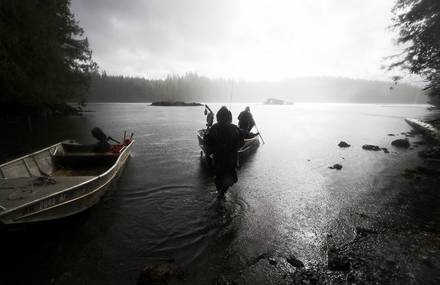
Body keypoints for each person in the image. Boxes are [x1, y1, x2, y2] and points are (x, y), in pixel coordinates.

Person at [205, 106, 244, 198]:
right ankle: (222, 193)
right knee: (230, 178)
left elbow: (208, 143)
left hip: (218, 159)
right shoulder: (235, 128)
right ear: (229, 117)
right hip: (231, 159)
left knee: (218, 176)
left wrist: (210, 153)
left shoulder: (214, 128)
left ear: (218, 116)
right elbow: (242, 143)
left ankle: (220, 193)